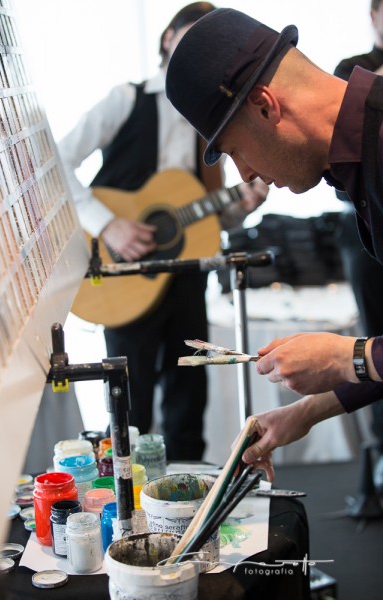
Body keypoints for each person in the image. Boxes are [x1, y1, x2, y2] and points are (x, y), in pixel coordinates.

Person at [165, 7, 383, 475]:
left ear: (266, 105)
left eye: (234, 151)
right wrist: (304, 412)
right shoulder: (360, 159)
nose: (245, 174)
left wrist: (347, 356)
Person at [58, 3, 268, 461]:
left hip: (186, 274)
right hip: (124, 272)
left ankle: (192, 490)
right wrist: (108, 224)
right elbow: (57, 162)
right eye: (192, 36)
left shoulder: (211, 119)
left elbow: (207, 216)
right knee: (129, 401)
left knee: (189, 395)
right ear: (168, 38)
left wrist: (242, 207)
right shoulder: (126, 99)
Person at [334, 0, 383, 488]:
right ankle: (382, 451)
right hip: (364, 231)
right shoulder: (353, 71)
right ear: (373, 16)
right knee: (374, 340)